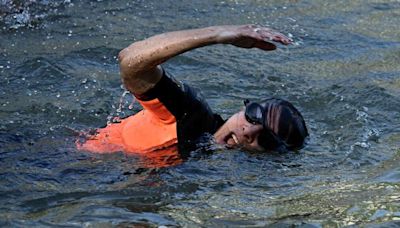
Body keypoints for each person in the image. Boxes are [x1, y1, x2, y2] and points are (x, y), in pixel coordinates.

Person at [77, 25, 308, 157]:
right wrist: (218, 35)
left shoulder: (213, 169)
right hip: (60, 164)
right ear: (245, 106)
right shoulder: (190, 113)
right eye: (255, 115)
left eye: (266, 138)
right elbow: (130, 62)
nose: (250, 131)